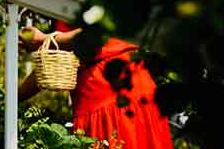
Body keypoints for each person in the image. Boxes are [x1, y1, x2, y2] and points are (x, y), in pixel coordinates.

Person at [18, 24, 173, 149]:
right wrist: (11, 98)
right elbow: (49, 64)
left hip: (111, 98)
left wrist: (46, 38)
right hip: (108, 95)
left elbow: (98, 30)